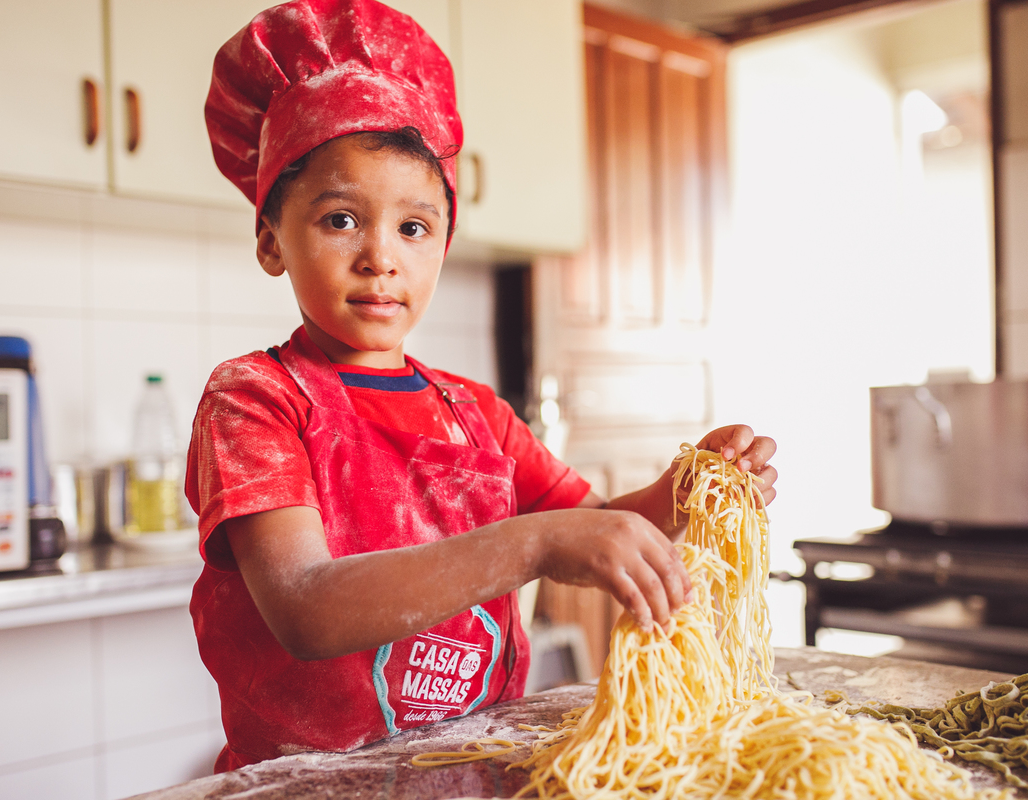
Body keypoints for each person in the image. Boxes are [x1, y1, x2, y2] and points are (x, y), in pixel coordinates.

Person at [187, 0, 778, 772]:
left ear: (443, 244)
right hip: (309, 782)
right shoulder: (256, 399)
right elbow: (304, 606)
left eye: (413, 227)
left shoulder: (475, 414)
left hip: (472, 766)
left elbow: (594, 528)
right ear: (273, 242)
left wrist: (683, 494)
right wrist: (534, 541)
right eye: (340, 220)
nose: (380, 257)